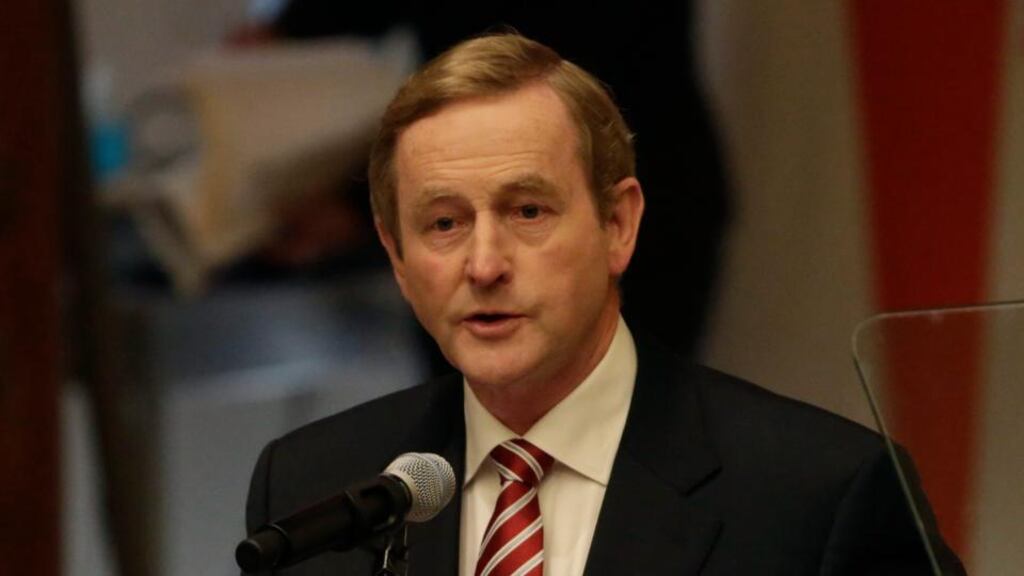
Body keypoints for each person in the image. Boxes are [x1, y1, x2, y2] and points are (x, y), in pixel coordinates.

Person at [244, 33, 962, 575]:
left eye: (528, 211)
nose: (484, 264)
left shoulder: (819, 494)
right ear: (397, 257)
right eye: (443, 223)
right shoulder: (312, 486)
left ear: (618, 225)